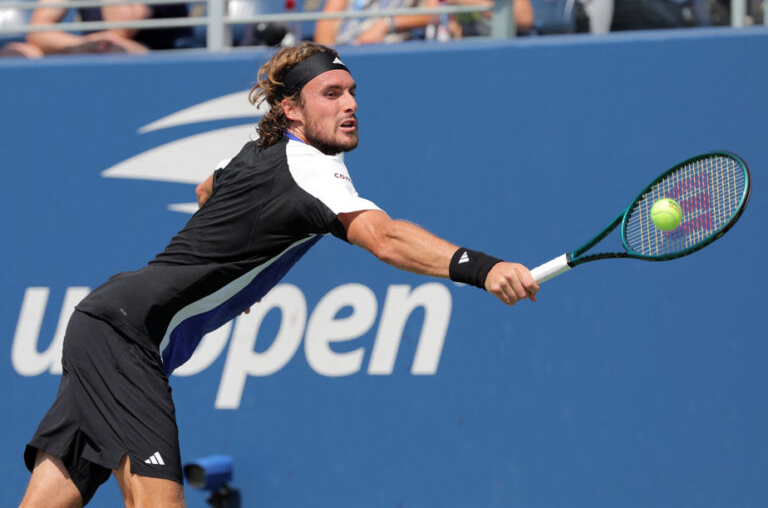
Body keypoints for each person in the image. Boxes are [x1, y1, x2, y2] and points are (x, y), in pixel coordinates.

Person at [18, 42, 539, 508]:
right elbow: (384, 238)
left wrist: (235, 272)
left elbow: (207, 189)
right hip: (129, 334)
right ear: (291, 108)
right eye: (331, 93)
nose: (350, 104)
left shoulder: (257, 152)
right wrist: (484, 269)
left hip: (105, 320)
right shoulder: (310, 165)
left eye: (352, 92)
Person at [26, 0, 191, 55]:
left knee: (114, 50)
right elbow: (37, 32)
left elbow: (121, 29)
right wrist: (78, 46)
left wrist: (92, 45)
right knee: (16, 53)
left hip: (160, 58)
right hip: (94, 49)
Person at [314, 0, 440, 45]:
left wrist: (386, 24)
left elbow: (432, 14)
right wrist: (329, 61)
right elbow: (328, 21)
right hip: (345, 49)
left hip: (388, 48)